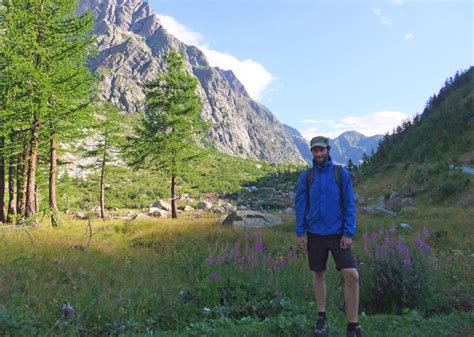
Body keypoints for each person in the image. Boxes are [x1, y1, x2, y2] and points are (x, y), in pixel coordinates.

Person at [295, 136, 363, 337]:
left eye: (321, 150)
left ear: (328, 150)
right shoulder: (306, 177)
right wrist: (300, 231)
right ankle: (321, 317)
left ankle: (353, 325)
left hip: (338, 234)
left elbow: (349, 204)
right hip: (314, 234)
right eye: (315, 150)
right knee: (318, 274)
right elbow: (300, 205)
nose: (318, 154)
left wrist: (348, 232)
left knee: (352, 275)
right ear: (312, 152)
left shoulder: (341, 174)